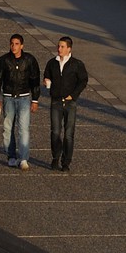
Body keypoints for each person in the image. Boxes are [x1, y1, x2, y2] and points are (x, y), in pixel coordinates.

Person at [0, 33, 41, 170]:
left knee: (23, 129)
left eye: (17, 44)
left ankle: (23, 158)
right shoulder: (3, 60)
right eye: (12, 44)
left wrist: (35, 99)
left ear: (22, 45)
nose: (14, 46)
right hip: (8, 97)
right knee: (8, 128)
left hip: (24, 97)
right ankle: (11, 156)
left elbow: (35, 79)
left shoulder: (29, 60)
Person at [43, 36, 88, 171]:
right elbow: (46, 75)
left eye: (62, 47)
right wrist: (46, 81)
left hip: (70, 103)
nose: (59, 49)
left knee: (69, 134)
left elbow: (83, 80)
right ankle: (56, 157)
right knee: (55, 132)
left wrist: (73, 95)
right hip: (56, 101)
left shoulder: (77, 64)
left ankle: (66, 162)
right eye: (58, 46)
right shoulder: (52, 63)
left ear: (69, 48)